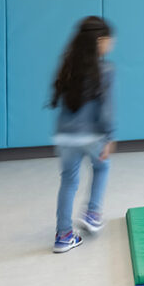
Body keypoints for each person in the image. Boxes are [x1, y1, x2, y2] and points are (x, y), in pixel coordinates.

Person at [48, 16, 116, 253]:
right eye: (109, 41)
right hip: (90, 136)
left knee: (68, 182)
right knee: (103, 167)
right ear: (99, 41)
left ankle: (63, 236)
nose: (111, 45)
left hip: (65, 136)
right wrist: (108, 137)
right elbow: (106, 109)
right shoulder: (105, 69)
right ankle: (93, 213)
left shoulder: (68, 66)